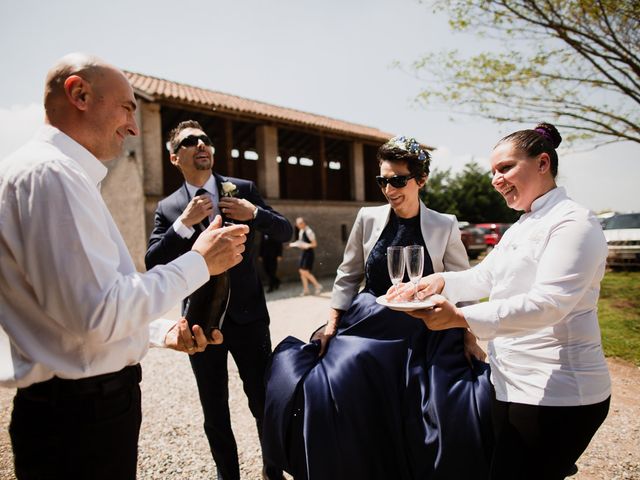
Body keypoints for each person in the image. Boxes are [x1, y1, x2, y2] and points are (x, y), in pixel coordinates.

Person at [0, 54, 249, 480]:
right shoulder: (51, 176)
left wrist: (156, 331)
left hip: (76, 409)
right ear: (79, 94)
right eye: (127, 108)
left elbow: (81, 306)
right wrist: (199, 263)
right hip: (81, 418)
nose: (134, 127)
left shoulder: (53, 174)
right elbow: (96, 315)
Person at [262, 136, 494, 479]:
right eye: (382, 180)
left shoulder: (445, 224)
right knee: (325, 384)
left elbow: (464, 282)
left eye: (398, 180)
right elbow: (348, 273)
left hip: (425, 329)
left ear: (421, 180)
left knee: (448, 406)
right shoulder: (367, 217)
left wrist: (469, 334)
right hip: (368, 322)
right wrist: (331, 323)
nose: (389, 188)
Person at [401, 123, 611, 480]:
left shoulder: (574, 222)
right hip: (509, 382)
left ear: (543, 163)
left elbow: (549, 304)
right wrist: (436, 282)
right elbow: (483, 277)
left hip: (558, 392)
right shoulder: (522, 225)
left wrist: (461, 319)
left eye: (505, 168)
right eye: (493, 171)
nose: (496, 179)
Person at [145, 120, 293, 480]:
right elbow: (152, 261)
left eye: (205, 139)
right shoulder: (169, 208)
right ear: (174, 157)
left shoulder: (241, 189)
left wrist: (253, 213)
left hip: (249, 317)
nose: (201, 145)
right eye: (189, 141)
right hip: (198, 323)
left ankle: (272, 473)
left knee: (262, 402)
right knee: (215, 412)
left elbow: (286, 230)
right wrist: (183, 223)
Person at [289, 217, 323, 295]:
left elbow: (314, 244)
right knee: (301, 271)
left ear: (303, 223)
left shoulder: (309, 231)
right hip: (304, 252)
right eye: (297, 224)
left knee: (305, 271)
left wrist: (306, 245)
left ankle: (318, 286)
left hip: (309, 253)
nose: (298, 226)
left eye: (299, 224)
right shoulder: (301, 231)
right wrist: (294, 244)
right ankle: (306, 289)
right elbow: (301, 242)